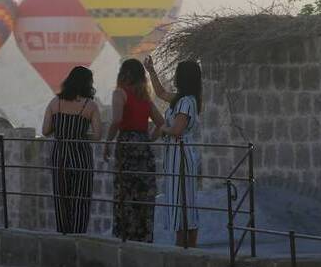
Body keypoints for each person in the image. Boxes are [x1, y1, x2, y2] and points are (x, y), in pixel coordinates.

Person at [103, 59, 165, 242]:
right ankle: (144, 237)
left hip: (126, 147)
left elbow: (116, 120)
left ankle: (125, 237)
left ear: (123, 74)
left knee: (125, 193)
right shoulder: (145, 98)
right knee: (144, 194)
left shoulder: (119, 94)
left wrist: (107, 142)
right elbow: (161, 123)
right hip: (144, 149)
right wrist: (148, 139)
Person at [145, 56, 203, 248]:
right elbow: (160, 93)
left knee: (183, 199)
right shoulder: (183, 99)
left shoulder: (187, 102)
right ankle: (184, 244)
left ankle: (185, 245)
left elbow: (177, 129)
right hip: (175, 153)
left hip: (181, 153)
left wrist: (163, 129)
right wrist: (151, 71)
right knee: (179, 198)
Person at [42, 66, 103, 234]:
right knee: (80, 199)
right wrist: (80, 137)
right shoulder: (90, 106)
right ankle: (78, 235)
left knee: (61, 198)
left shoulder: (55, 103)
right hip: (80, 156)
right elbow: (98, 135)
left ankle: (63, 235)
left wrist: (61, 131)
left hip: (59, 154)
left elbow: (45, 131)